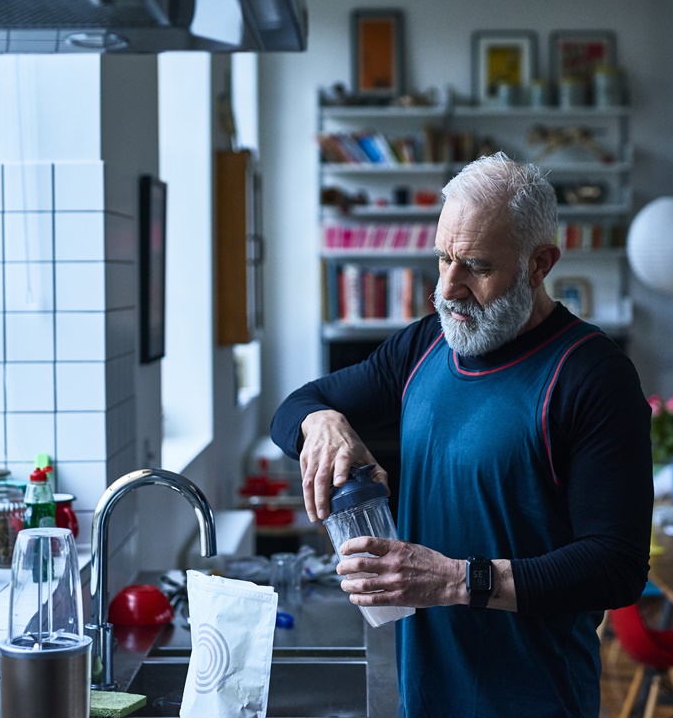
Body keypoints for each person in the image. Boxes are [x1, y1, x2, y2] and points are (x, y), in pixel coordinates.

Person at [270, 152, 652, 717]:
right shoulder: (425, 344)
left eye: (476, 266)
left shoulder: (592, 375)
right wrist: (322, 423)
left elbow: (616, 567)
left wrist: (454, 580)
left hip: (536, 700)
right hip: (424, 695)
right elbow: (293, 409)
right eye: (443, 258)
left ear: (540, 264)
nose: (449, 287)